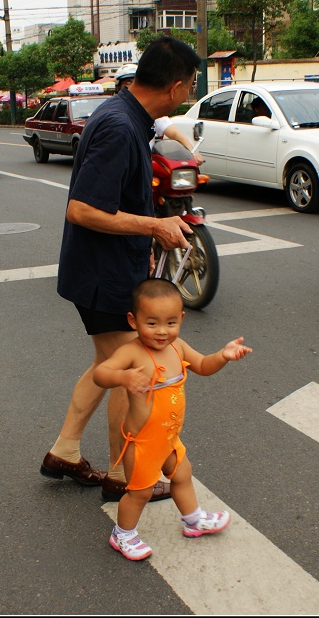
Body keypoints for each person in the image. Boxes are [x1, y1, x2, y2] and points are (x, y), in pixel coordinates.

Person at [41, 36, 202, 503]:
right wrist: (154, 225)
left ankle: (65, 451)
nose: (188, 94)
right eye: (189, 86)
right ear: (174, 87)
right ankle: (123, 476)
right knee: (134, 371)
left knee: (107, 364)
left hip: (104, 268)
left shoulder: (126, 115)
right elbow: (83, 209)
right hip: (102, 275)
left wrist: (144, 235)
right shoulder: (119, 127)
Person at [94, 278, 252, 560]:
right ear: (133, 320)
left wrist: (223, 355)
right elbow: (101, 373)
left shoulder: (177, 347)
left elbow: (203, 365)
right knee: (140, 493)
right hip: (142, 442)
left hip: (167, 437)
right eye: (151, 323)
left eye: (170, 323)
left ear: (181, 318)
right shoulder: (131, 352)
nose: (162, 331)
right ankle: (122, 534)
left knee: (182, 475)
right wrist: (123, 377)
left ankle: (193, 520)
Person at [115, 62, 205, 166]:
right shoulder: (115, 115)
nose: (132, 86)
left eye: (136, 82)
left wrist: (192, 152)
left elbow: (174, 133)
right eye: (128, 82)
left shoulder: (151, 111)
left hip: (145, 165)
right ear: (118, 87)